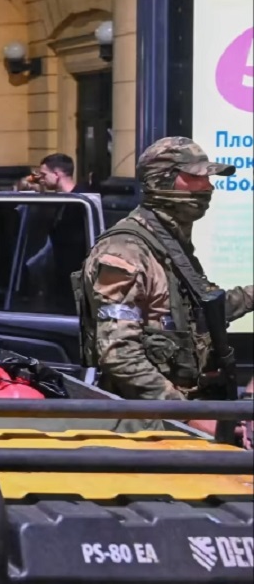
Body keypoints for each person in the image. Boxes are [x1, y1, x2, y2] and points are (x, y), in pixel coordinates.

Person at [77, 137, 253, 434]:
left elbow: (200, 313)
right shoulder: (126, 251)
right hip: (147, 425)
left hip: (180, 415)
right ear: (162, 180)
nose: (208, 187)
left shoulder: (169, 243)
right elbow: (119, 354)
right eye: (196, 177)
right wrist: (190, 418)